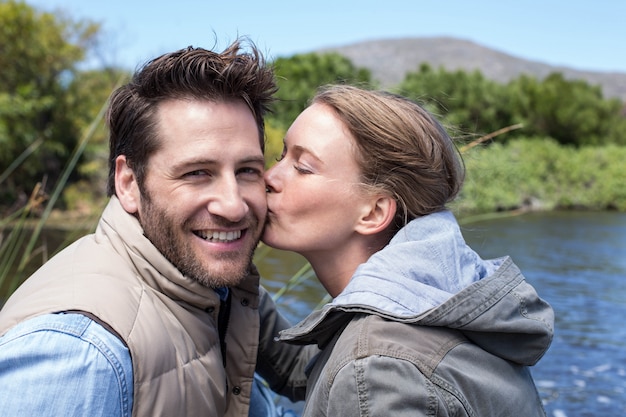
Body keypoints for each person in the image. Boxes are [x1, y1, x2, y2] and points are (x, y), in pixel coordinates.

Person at [0, 39, 311, 417]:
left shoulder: (216, 289)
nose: (232, 205)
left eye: (247, 170)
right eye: (197, 173)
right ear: (129, 184)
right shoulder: (81, 358)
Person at [263, 84, 554, 416]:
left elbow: (359, 375)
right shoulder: (434, 301)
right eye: (281, 155)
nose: (269, 177)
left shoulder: (376, 371)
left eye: (303, 167)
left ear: (373, 213)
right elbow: (317, 369)